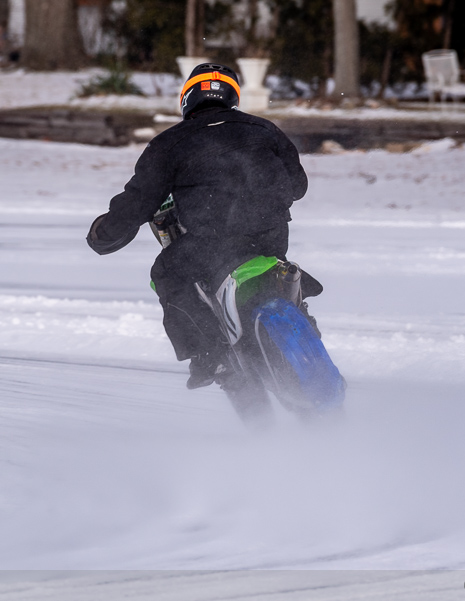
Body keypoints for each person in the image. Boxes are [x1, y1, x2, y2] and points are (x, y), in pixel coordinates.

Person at [87, 63, 309, 389]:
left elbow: (138, 201)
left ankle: (209, 354)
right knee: (279, 264)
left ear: (188, 97)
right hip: (270, 236)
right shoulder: (265, 129)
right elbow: (298, 187)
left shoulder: (169, 143)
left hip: (212, 242)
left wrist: (104, 234)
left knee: (168, 272)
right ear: (232, 95)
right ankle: (301, 314)